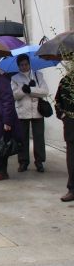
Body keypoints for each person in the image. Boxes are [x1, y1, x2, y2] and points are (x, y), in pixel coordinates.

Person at [11, 54, 49, 173]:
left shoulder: (38, 75)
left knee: (39, 137)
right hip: (22, 112)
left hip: (38, 111)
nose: (24, 67)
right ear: (18, 66)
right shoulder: (15, 78)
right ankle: (23, 162)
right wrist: (24, 89)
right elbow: (14, 95)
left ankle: (39, 162)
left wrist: (32, 90)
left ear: (29, 63)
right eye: (21, 65)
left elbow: (45, 91)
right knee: (22, 138)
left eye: (26, 64)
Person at [55, 73, 74, 202]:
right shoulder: (66, 80)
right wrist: (62, 115)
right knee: (72, 157)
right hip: (71, 124)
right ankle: (72, 189)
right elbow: (57, 101)